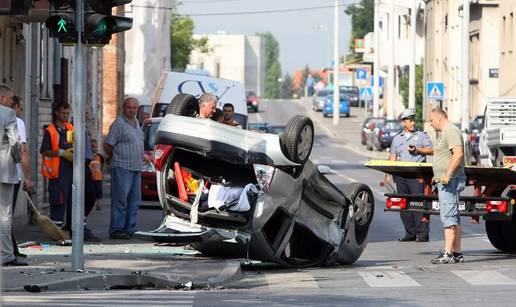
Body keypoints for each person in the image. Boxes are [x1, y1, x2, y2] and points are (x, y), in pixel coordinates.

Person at [386, 108, 433, 242]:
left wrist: (418, 150)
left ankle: (422, 234)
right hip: (401, 176)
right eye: (410, 121)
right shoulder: (397, 138)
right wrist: (387, 172)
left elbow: (431, 150)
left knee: (418, 204)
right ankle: (410, 233)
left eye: (413, 120)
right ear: (403, 123)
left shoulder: (421, 135)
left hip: (417, 176)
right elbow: (393, 156)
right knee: (404, 205)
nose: (413, 123)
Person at [428, 107, 466, 264]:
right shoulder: (445, 133)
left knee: (448, 216)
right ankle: (457, 253)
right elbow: (443, 156)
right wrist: (436, 175)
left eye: (431, 120)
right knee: (454, 216)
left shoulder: (451, 131)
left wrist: (447, 174)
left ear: (439, 118)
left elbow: (458, 155)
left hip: (449, 181)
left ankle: (448, 254)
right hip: (444, 179)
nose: (430, 124)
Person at [104, 97, 145, 240]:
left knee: (134, 201)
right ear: (123, 107)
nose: (132, 110)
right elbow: (108, 145)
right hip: (122, 166)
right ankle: (117, 229)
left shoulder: (136, 122)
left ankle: (129, 228)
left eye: (134, 108)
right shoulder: (119, 124)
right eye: (129, 107)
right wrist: (113, 157)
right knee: (120, 200)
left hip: (136, 167)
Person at [0, 85, 31, 266]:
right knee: (4, 216)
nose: (13, 102)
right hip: (4, 171)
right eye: (11, 99)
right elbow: (16, 144)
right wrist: (18, 159)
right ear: (3, 98)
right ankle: (5, 255)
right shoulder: (8, 114)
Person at [40, 102, 74, 229]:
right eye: (63, 113)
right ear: (56, 113)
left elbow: (72, 145)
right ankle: (56, 231)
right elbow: (44, 150)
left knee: (70, 200)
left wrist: (73, 151)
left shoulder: (70, 128)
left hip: (70, 170)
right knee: (58, 201)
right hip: (57, 173)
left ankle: (68, 229)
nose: (65, 116)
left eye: (67, 113)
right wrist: (61, 153)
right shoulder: (51, 130)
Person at [10, 96, 29, 257]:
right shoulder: (17, 122)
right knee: (7, 215)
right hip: (12, 175)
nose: (21, 111)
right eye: (20, 107)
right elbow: (23, 151)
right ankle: (10, 250)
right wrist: (27, 177)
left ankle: (11, 248)